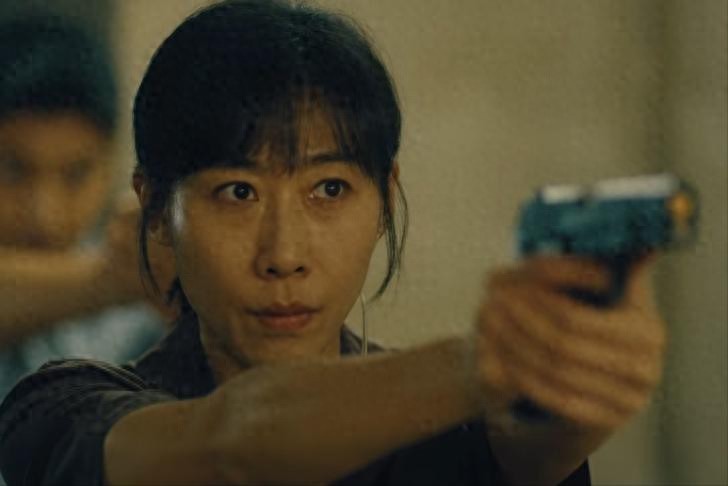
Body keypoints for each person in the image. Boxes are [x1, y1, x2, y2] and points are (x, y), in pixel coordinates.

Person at [0, 1, 666, 484]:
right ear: (155, 212)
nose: (284, 255)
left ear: (385, 200)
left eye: (329, 189)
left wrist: (578, 367)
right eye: (238, 192)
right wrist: (492, 362)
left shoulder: (448, 422)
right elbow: (233, 444)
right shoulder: (61, 409)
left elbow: (537, 448)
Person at [0, 15, 172, 400]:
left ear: (110, 165)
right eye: (12, 170)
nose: (45, 215)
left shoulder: (138, 318)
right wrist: (123, 278)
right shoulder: (125, 276)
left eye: (76, 174)